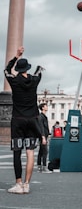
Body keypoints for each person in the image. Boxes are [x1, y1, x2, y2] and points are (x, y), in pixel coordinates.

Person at [4, 46, 44, 194]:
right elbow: (39, 73)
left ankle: (18, 184)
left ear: (18, 69)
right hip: (32, 120)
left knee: (17, 152)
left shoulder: (14, 81)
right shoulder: (34, 81)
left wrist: (16, 56)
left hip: (18, 120)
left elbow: (7, 70)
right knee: (30, 153)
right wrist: (39, 68)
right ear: (27, 69)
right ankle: (27, 184)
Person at [37, 103, 51, 173]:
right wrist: (43, 137)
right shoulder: (41, 117)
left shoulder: (43, 116)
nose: (47, 107)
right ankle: (44, 168)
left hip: (44, 136)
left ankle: (39, 166)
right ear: (42, 108)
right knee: (45, 151)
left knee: (41, 151)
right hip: (43, 136)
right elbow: (41, 127)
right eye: (46, 106)